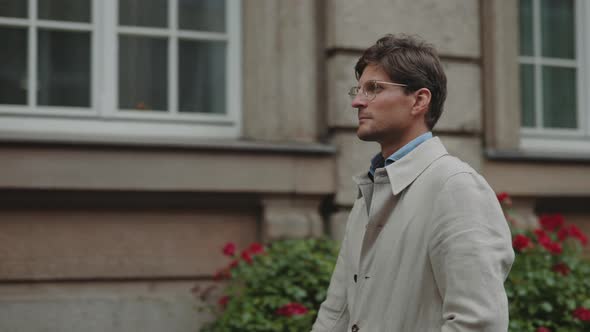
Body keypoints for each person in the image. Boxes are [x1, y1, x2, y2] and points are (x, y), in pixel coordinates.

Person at [311, 34, 514, 332]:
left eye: (374, 89)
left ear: (419, 100)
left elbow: (478, 324)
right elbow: (336, 312)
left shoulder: (456, 187)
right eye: (359, 89)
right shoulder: (371, 189)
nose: (357, 101)